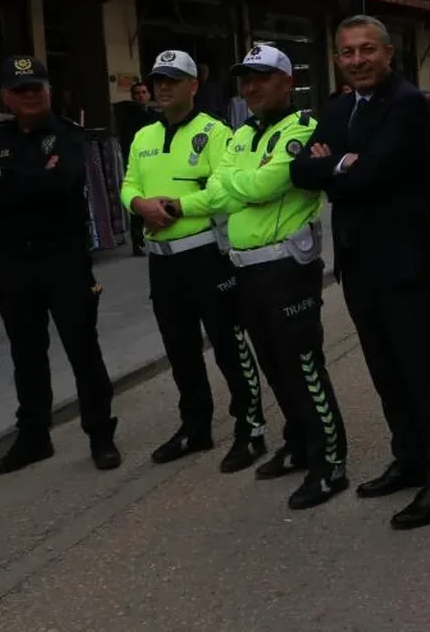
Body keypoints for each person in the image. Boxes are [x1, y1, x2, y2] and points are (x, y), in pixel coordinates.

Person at [291, 16, 430, 530]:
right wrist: (340, 166)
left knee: (421, 369)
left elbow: (378, 172)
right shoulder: (338, 106)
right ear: (338, 59)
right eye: (348, 52)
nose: (358, 60)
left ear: (389, 54)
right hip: (358, 260)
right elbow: (301, 171)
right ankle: (408, 458)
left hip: (405, 260)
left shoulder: (409, 103)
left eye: (368, 50)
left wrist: (336, 168)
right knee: (384, 368)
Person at [169, 44, 347, 511]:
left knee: (303, 365)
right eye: (245, 80)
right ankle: (298, 442)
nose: (250, 88)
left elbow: (265, 184)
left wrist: (233, 185)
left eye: (262, 78)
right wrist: (181, 206)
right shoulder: (241, 133)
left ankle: (330, 464)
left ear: (287, 83)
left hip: (288, 267)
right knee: (271, 363)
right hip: (246, 268)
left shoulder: (304, 129)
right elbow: (217, 191)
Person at [0, 55, 121, 473]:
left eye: (37, 87)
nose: (31, 95)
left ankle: (101, 435)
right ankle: (34, 438)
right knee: (26, 355)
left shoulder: (68, 135)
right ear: (6, 97)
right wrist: (35, 179)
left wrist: (9, 180)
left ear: (48, 91)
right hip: (16, 265)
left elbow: (66, 181)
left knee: (83, 349)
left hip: (65, 261)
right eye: (21, 90)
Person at [120, 50, 267, 473]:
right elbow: (127, 184)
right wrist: (139, 204)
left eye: (172, 80)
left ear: (193, 86)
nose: (162, 87)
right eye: (157, 80)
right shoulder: (144, 136)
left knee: (229, 345)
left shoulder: (217, 133)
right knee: (179, 348)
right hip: (162, 262)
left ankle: (250, 430)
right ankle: (195, 426)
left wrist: (176, 207)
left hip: (207, 257)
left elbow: (224, 191)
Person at [114, 81, 159, 256]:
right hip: (137, 163)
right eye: (137, 93)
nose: (141, 96)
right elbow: (126, 144)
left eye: (144, 92)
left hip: (155, 163)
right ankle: (137, 241)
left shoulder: (155, 116)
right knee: (137, 202)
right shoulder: (128, 118)